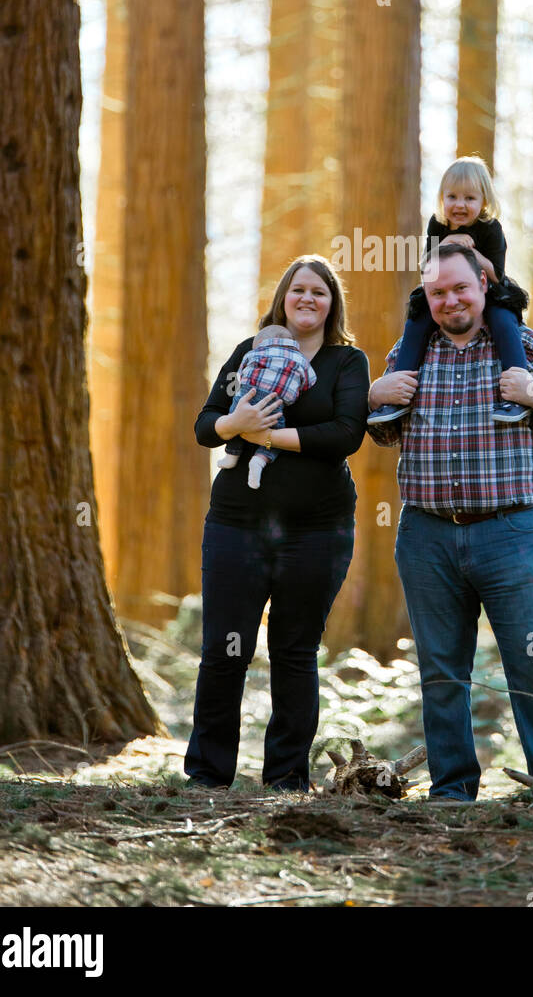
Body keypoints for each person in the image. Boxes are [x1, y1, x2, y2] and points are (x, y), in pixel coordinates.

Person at [367, 241, 533, 804]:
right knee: (440, 670)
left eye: (460, 288)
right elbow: (385, 431)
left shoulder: (524, 345)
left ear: (484, 285)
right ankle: (453, 790)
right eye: (437, 292)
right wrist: (375, 398)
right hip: (427, 534)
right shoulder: (410, 353)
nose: (450, 300)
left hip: (512, 532)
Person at [184, 256, 370, 792]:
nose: (308, 299)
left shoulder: (346, 362)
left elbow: (344, 434)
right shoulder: (250, 351)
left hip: (317, 530)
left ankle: (287, 778)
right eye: (298, 290)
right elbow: (205, 426)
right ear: (282, 298)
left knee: (295, 650)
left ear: (333, 302)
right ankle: (207, 776)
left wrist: (262, 437)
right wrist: (232, 423)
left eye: (319, 291)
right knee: (225, 648)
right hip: (236, 525)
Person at [367, 154, 532, 427]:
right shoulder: (438, 225)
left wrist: (472, 254)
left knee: (504, 324)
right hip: (443, 292)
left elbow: (496, 274)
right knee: (416, 323)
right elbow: (426, 268)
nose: (460, 205)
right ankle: (396, 395)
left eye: (469, 198)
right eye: (452, 197)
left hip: (489, 293)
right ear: (442, 198)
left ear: (484, 201)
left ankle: (516, 395)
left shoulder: (491, 229)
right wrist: (449, 242)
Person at [217, 323, 317, 488]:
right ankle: (260, 459)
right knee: (275, 438)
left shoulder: (253, 352)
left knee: (235, 420)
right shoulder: (301, 358)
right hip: (275, 404)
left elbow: (241, 372)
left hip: (247, 397)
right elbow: (310, 381)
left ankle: (231, 454)